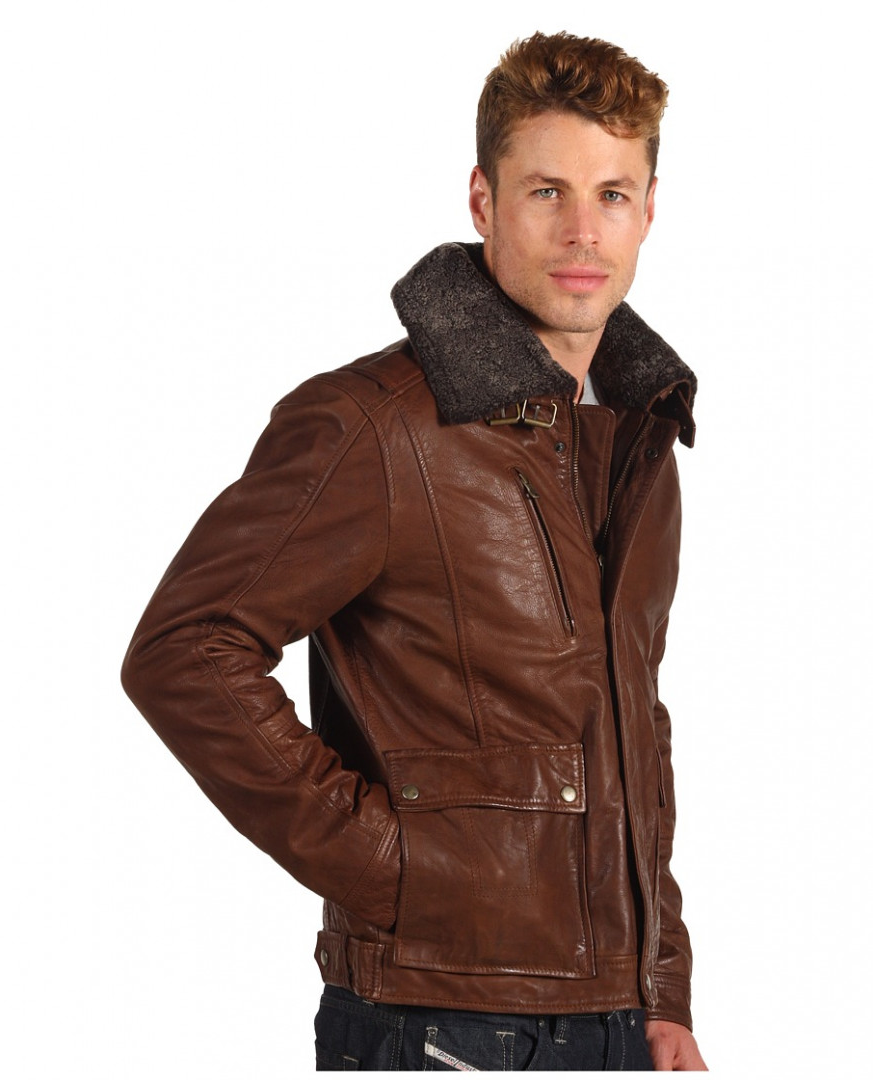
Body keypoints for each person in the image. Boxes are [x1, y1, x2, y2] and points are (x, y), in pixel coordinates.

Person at [122, 30, 707, 1071]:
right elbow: (183, 650)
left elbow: (629, 725)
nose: (582, 230)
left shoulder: (632, 439)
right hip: (437, 1022)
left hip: (615, 1022)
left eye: (612, 195)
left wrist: (661, 991)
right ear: (483, 201)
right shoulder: (374, 426)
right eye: (546, 192)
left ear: (649, 210)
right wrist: (401, 874)